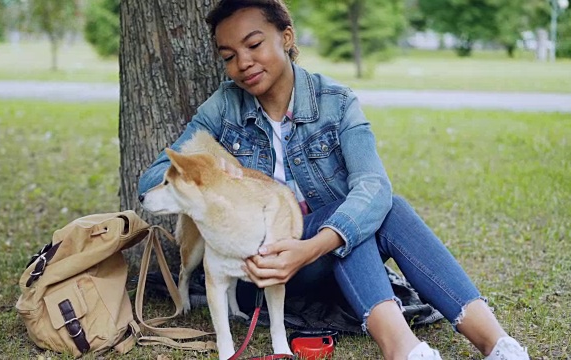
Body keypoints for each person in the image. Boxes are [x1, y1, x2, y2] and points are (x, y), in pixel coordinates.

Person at [138, 1, 530, 359]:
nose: (243, 62)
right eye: (229, 56)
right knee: (356, 215)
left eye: (254, 44)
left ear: (286, 38)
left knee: (377, 207)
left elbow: (373, 187)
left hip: (326, 257)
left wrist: (312, 247)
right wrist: (208, 164)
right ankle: (403, 348)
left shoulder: (336, 102)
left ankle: (497, 344)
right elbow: (151, 180)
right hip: (257, 268)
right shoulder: (223, 107)